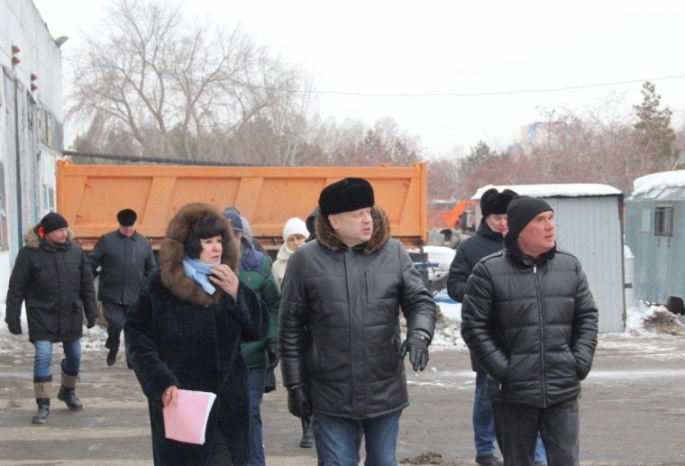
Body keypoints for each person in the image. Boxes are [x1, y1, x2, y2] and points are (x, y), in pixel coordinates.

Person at [278, 177, 437, 466]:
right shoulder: (305, 260)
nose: (368, 220)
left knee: (383, 462)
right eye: (358, 214)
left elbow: (420, 302)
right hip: (329, 392)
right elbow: (290, 328)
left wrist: (420, 334)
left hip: (383, 389)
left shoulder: (393, 252)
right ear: (334, 221)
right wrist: (295, 385)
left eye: (369, 211)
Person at [124, 203, 269, 466]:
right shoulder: (160, 284)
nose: (217, 248)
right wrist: (161, 381)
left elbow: (258, 328)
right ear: (191, 245)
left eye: (219, 240)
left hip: (228, 406)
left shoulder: (226, 280)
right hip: (183, 403)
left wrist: (238, 293)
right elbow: (136, 337)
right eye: (208, 241)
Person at [461, 196, 599, 466]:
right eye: (540, 220)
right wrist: (505, 370)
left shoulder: (569, 266)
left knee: (566, 461)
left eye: (551, 218)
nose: (550, 226)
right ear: (520, 228)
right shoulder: (488, 271)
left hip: (562, 390)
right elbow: (474, 328)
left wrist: (578, 362)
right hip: (513, 394)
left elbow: (587, 317)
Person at [447, 189, 547, 466]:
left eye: (506, 217)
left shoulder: (530, 243)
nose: (503, 223)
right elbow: (454, 284)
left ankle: (536, 455)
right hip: (487, 335)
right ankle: (486, 450)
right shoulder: (470, 248)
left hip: (527, 334)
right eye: (496, 217)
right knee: (486, 397)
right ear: (486, 217)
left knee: (533, 398)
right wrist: (480, 289)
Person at [5, 212, 98, 424]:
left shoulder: (75, 251)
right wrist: (13, 317)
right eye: (59, 231)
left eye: (65, 229)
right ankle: (43, 405)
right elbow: (16, 288)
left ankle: (68, 391)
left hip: (70, 314)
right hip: (42, 315)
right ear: (44, 233)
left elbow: (86, 285)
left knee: (74, 355)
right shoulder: (29, 254)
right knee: (43, 356)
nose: (64, 233)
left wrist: (91, 311)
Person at [221, 209, 280, 466]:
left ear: (241, 235)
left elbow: (273, 305)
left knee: (249, 411)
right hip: (220, 359)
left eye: (232, 234)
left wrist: (272, 339)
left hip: (252, 358)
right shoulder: (205, 264)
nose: (227, 240)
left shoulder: (259, 264)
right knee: (223, 415)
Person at [88, 208, 157, 367]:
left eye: (131, 226)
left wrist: (153, 286)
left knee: (131, 328)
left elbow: (151, 268)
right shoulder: (107, 241)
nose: (128, 230)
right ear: (120, 225)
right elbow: (91, 262)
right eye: (125, 227)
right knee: (117, 322)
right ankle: (113, 346)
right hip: (111, 293)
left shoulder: (143, 244)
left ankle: (130, 358)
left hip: (134, 294)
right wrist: (88, 278)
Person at [271, 216, 315, 448]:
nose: (298, 242)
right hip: (293, 330)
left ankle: (321, 422)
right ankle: (307, 426)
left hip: (316, 329)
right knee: (299, 380)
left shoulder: (316, 260)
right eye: (293, 238)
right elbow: (276, 299)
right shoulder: (278, 266)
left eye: (301, 237)